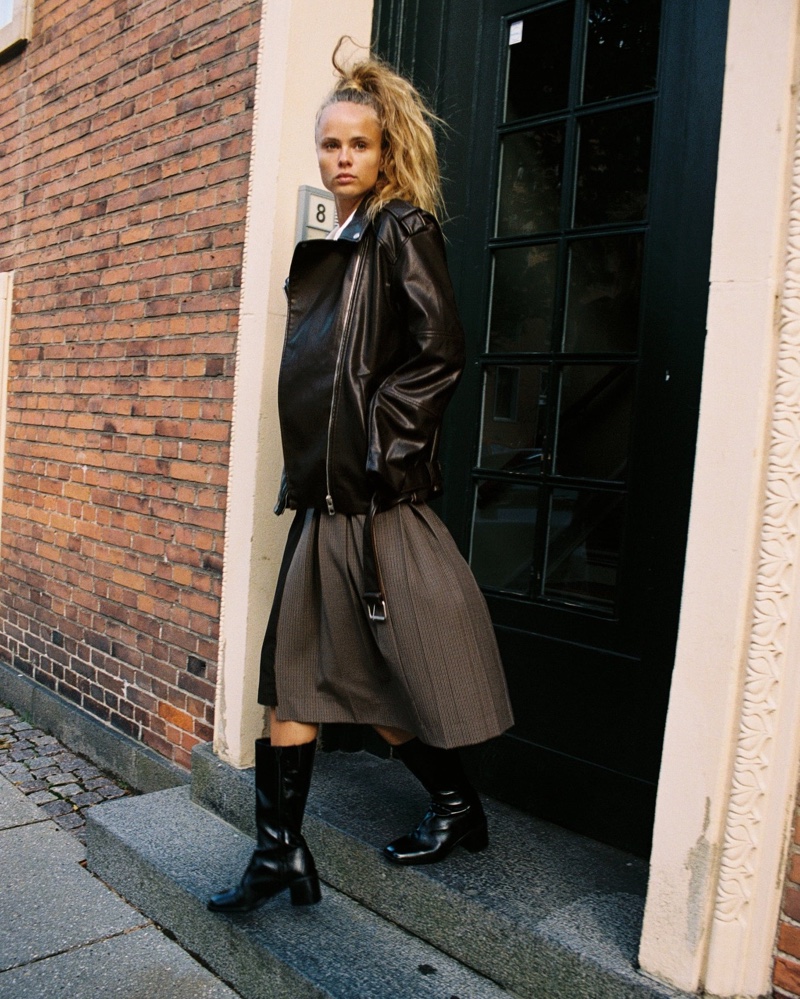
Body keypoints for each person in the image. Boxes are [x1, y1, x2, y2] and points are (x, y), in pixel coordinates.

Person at [208, 42, 514, 915]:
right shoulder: (342, 239)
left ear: (386, 153)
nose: (343, 158)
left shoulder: (400, 229)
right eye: (332, 144)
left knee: (373, 671)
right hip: (325, 497)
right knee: (296, 672)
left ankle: (451, 803)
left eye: (360, 145)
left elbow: (438, 354)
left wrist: (385, 450)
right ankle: (281, 855)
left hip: (370, 497)